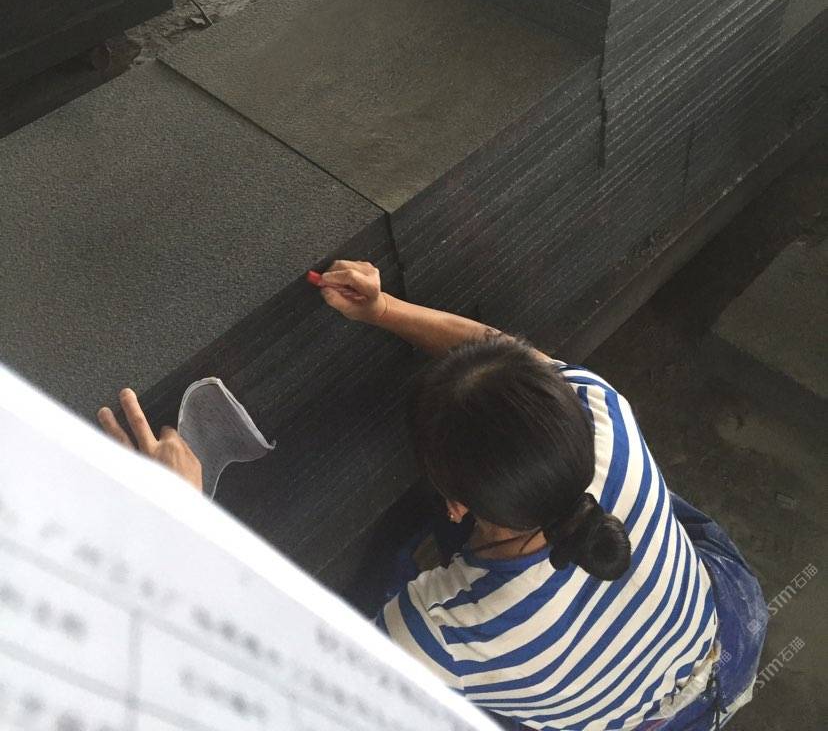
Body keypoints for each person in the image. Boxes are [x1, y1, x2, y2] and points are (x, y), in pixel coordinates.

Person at [98, 260, 767, 731]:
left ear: (453, 502)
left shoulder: (443, 630)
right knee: (654, 516)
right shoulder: (605, 416)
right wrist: (383, 308)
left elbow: (282, 680)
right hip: (733, 631)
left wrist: (181, 514)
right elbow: (506, 356)